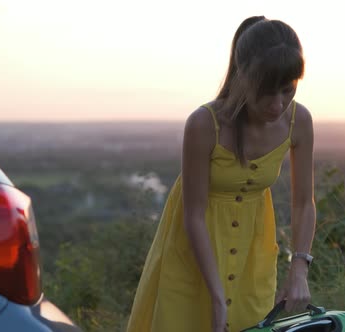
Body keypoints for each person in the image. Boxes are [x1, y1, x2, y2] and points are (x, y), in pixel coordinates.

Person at [127, 16, 316, 332]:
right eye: (267, 91)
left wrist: (299, 269)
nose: (277, 104)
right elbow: (194, 215)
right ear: (243, 76)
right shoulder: (204, 124)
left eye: (287, 90)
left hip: (253, 259)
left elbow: (303, 203)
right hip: (191, 255)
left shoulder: (300, 122)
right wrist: (216, 297)